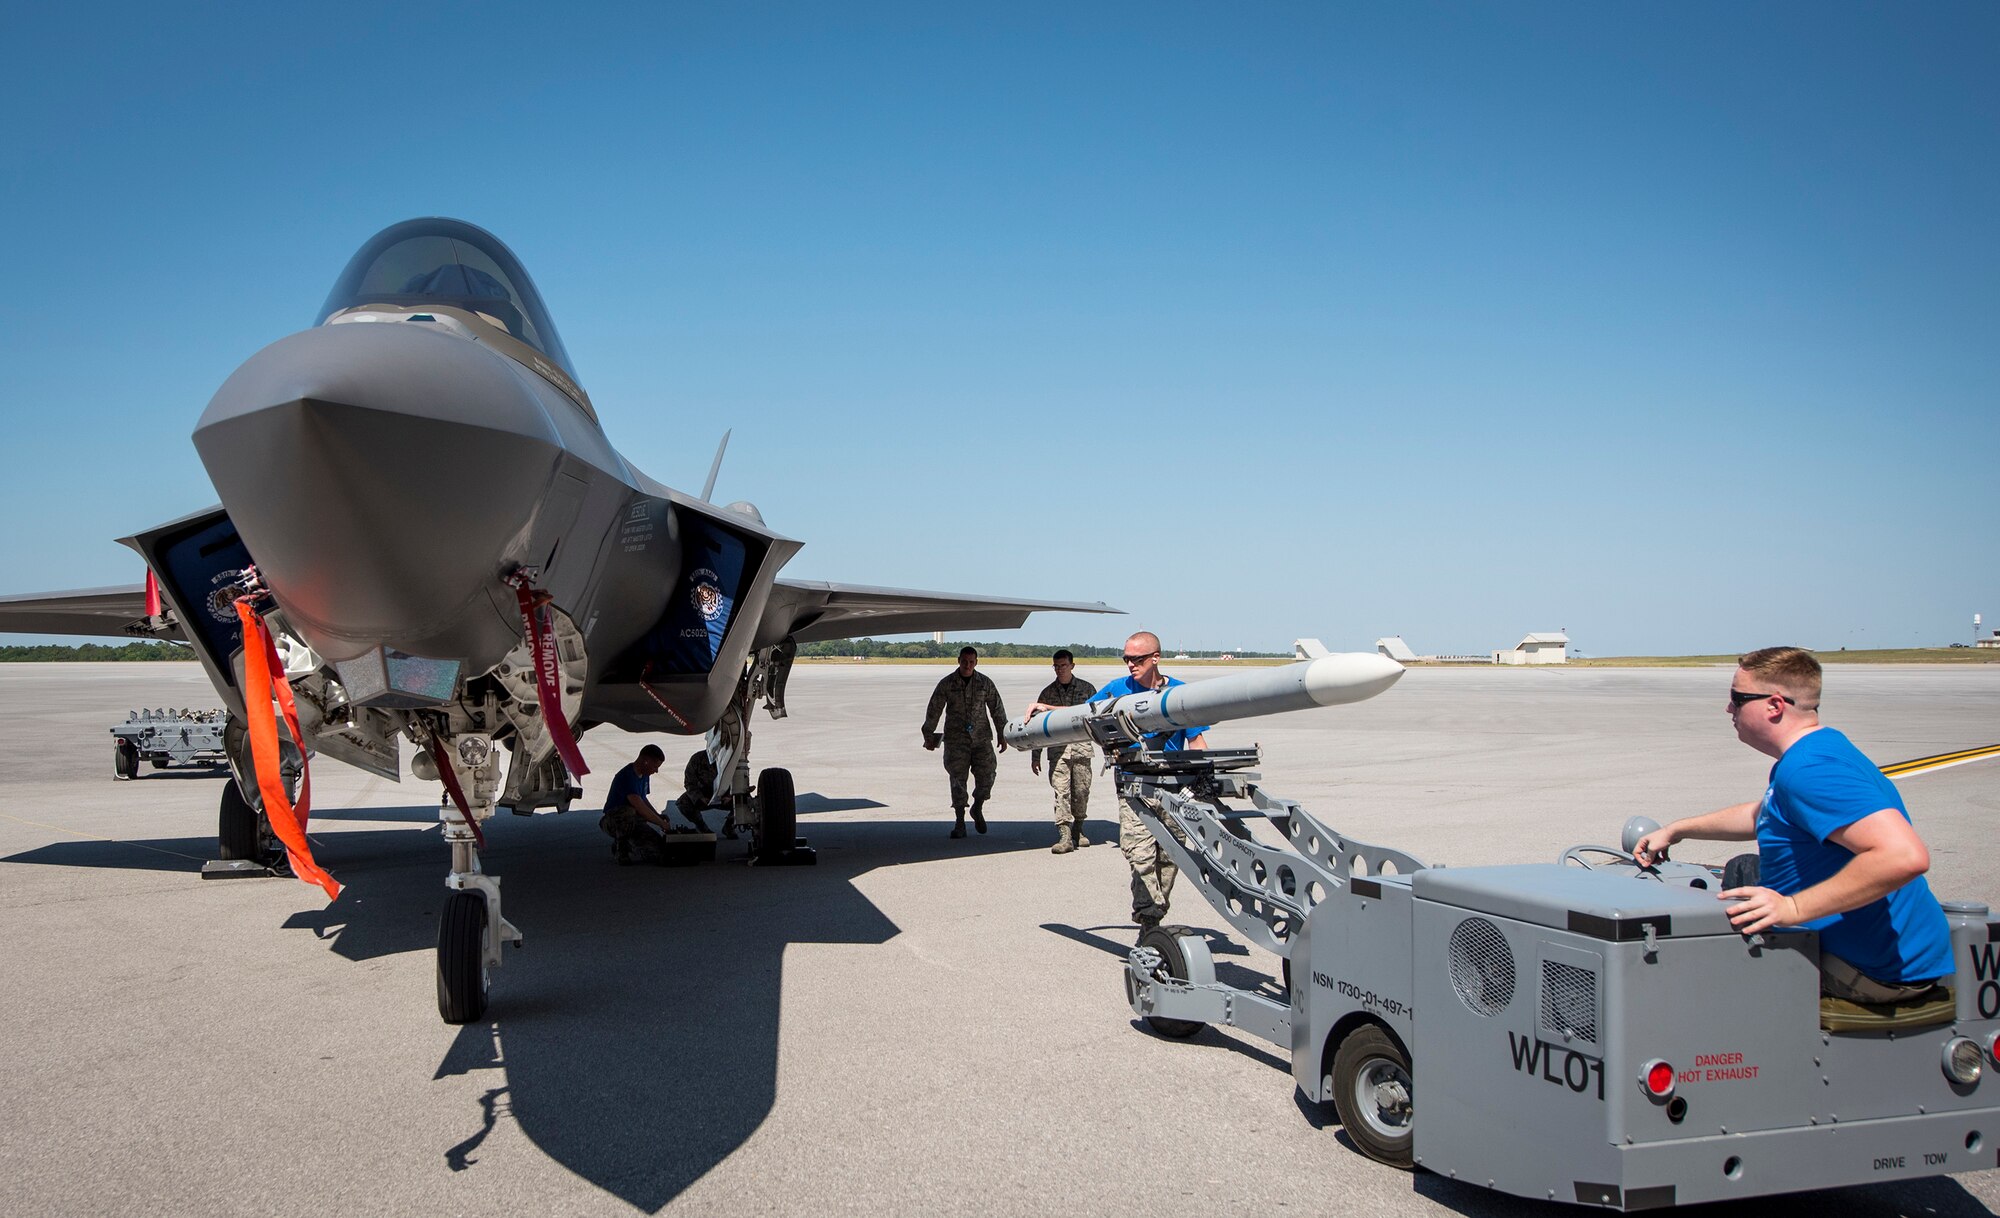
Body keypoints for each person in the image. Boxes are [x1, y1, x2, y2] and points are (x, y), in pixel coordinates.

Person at [1632, 646, 1952, 1004]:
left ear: (1774, 705)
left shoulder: (1811, 771)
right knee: (1742, 871)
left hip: (1868, 972)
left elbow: (1904, 856)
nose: (1728, 708)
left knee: (1675, 976)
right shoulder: (1815, 751)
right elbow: (1764, 813)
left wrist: (1793, 909)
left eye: (1737, 699)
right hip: (1884, 958)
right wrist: (1678, 830)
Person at [1084, 631, 1209, 931]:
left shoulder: (1180, 693)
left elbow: (1198, 741)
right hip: (1133, 783)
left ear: (1155, 658)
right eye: (1126, 658)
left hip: (1173, 785)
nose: (1130, 664)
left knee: (1170, 856)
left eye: (1137, 658)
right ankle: (1150, 918)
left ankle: (1153, 916)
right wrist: (1046, 709)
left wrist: (1201, 778)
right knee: (1138, 852)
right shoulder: (1117, 689)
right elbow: (1081, 715)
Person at [922, 646, 1010, 838]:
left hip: (981, 740)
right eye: (964, 661)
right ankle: (959, 821)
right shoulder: (947, 684)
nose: (968, 665)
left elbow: (997, 708)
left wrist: (1003, 734)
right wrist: (928, 734)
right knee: (957, 781)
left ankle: (977, 806)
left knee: (987, 776)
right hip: (956, 741)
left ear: (976, 662)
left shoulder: (985, 683)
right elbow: (934, 708)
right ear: (959, 661)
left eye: (971, 662)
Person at [1028, 649, 1097, 854]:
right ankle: (1065, 835)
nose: (1059, 670)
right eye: (1056, 666)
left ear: (1072, 666)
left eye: (1063, 666)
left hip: (1082, 751)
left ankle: (1079, 829)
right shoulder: (1047, 693)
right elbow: (1037, 727)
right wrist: (1035, 755)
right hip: (1058, 753)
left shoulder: (1087, 689)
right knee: (1061, 792)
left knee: (1081, 792)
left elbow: (1097, 718)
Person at [599, 743, 680, 865]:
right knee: (628, 812)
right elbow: (639, 806)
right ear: (646, 761)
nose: (656, 771)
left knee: (659, 850)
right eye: (655, 766)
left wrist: (658, 815)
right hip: (613, 821)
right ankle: (621, 850)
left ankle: (630, 844)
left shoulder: (644, 776)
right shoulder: (627, 776)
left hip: (633, 822)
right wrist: (661, 823)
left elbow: (644, 800)